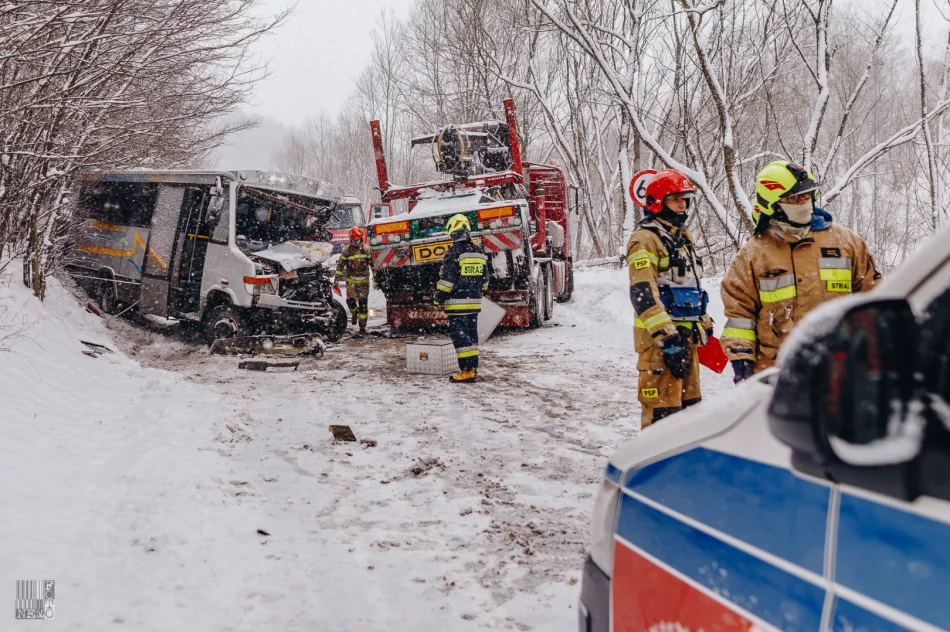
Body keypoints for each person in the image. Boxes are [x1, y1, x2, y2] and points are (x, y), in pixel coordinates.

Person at [721, 160, 882, 382]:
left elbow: (874, 299)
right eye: (794, 198)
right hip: (777, 372)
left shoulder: (846, 243)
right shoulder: (754, 254)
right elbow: (740, 315)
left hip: (840, 368)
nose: (803, 202)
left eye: (807, 196)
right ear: (773, 203)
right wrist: (742, 359)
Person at [626, 170, 714, 428]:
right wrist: (668, 340)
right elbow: (643, 294)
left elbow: (688, 285)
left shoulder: (682, 237)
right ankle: (651, 468)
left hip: (686, 343)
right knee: (662, 422)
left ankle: (685, 469)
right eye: (675, 199)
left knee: (689, 418)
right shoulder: (645, 240)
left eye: (685, 199)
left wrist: (704, 321)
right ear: (657, 201)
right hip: (659, 347)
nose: (682, 205)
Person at [433, 214, 490, 383]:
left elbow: (447, 281)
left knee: (461, 338)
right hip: (474, 303)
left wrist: (438, 298)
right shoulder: (478, 252)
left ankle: (465, 371)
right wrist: (474, 291)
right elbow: (485, 281)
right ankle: (472, 368)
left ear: (453, 232)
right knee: (471, 337)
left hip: (457, 304)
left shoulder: (453, 253)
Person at [334, 227, 372, 333]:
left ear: (360, 239)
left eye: (357, 240)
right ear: (350, 240)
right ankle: (354, 313)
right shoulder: (347, 251)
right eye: (353, 240)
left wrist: (376, 279)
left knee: (363, 304)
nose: (355, 243)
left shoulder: (366, 250)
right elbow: (340, 267)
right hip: (351, 281)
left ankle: (362, 327)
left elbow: (373, 266)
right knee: (350, 301)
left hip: (364, 282)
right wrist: (336, 280)